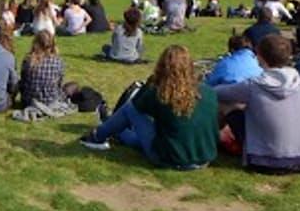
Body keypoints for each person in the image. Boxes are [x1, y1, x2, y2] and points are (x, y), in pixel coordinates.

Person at [80, 45, 219, 170]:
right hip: (205, 158)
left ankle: (97, 136)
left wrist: (152, 82)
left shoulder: (159, 93)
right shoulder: (209, 92)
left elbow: (135, 106)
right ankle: (113, 130)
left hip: (168, 159)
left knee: (130, 110)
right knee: (146, 130)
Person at [214, 35, 300, 173]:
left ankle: (206, 141)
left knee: (228, 105)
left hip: (267, 162)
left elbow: (217, 93)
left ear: (259, 57)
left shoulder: (253, 85)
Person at [18, 31, 71, 115]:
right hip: (51, 101)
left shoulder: (28, 60)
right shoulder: (58, 61)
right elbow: (59, 84)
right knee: (72, 86)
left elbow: (23, 83)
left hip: (29, 100)